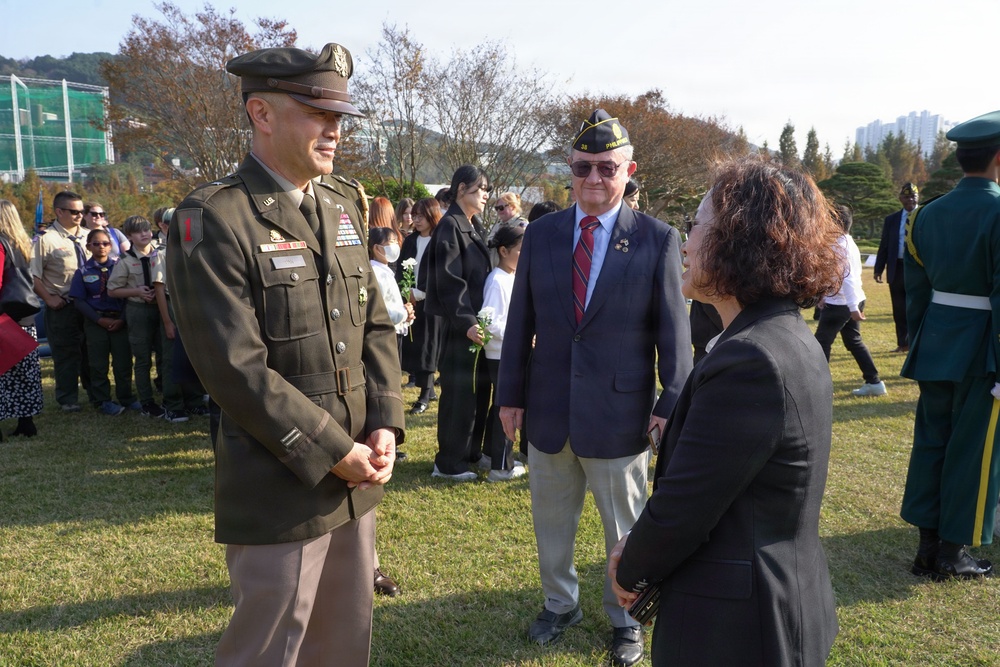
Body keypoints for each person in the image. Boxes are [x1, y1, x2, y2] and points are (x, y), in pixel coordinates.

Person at [166, 42, 404, 666]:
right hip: (281, 483)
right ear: (262, 114)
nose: (335, 129)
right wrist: (336, 452)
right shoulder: (215, 217)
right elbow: (233, 367)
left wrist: (384, 421)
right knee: (270, 647)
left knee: (342, 643)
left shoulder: (342, 202)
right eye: (318, 113)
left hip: (356, 476)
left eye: (340, 117)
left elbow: (375, 324)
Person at [608, 156, 841, 666]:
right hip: (774, 600)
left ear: (739, 241)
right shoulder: (780, 334)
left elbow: (687, 506)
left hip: (739, 627)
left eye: (695, 226)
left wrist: (630, 566)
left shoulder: (752, 358)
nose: (685, 243)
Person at [496, 109, 692, 667]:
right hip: (550, 409)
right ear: (570, 170)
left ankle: (624, 616)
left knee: (625, 528)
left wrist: (668, 401)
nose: (594, 180)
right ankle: (560, 603)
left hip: (620, 413)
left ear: (628, 170)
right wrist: (510, 395)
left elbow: (674, 334)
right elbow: (522, 325)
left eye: (607, 168)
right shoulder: (543, 235)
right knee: (550, 522)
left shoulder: (656, 239)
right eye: (583, 168)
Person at [899, 110, 1000, 580]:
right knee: (974, 451)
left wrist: (922, 342)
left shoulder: (925, 214)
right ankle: (952, 552)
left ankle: (926, 546)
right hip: (984, 349)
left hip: (936, 342)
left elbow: (916, 292)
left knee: (931, 444)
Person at [425, 165, 494, 481]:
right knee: (458, 394)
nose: (486, 195)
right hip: (459, 327)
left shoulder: (473, 224)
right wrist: (466, 320)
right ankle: (449, 463)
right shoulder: (450, 225)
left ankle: (469, 452)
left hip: (478, 325)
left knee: (477, 393)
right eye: (482, 189)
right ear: (463, 188)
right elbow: (449, 280)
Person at [29, 190, 93, 411]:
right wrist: (48, 298)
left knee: (91, 351)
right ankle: (68, 399)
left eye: (82, 211)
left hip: (90, 305)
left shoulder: (89, 236)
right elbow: (33, 275)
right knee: (66, 353)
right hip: (63, 305)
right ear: (59, 211)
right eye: (74, 212)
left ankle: (96, 394)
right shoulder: (46, 240)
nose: (79, 215)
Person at [815, 205, 885, 397]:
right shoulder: (847, 242)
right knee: (853, 341)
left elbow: (847, 278)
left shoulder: (839, 246)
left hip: (842, 304)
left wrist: (853, 307)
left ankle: (820, 387)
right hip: (850, 300)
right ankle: (874, 381)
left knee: (821, 343)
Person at [69, 228, 138, 416]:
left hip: (119, 321)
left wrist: (122, 319)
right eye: (96, 243)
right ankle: (103, 400)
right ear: (88, 246)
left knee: (123, 362)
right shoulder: (82, 272)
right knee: (98, 364)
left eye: (105, 243)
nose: (101, 247)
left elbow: (127, 296)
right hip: (96, 322)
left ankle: (127, 397)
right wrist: (99, 319)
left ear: (111, 246)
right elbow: (79, 301)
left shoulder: (120, 267)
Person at [108, 215, 171, 419]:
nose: (144, 234)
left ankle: (168, 394)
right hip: (139, 311)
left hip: (163, 309)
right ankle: (147, 402)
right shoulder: (126, 261)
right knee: (143, 359)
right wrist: (136, 291)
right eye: (138, 231)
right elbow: (112, 290)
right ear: (129, 236)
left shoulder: (162, 252)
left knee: (165, 354)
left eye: (147, 229)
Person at [482, 222, 525, 482]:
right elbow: (491, 322)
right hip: (500, 354)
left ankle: (491, 454)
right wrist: (521, 335)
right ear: (503, 251)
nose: (525, 256)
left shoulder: (509, 277)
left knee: (500, 406)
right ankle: (501, 467)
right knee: (506, 408)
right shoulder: (497, 280)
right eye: (521, 251)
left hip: (506, 353)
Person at [0, 200, 43, 438]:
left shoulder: (0, 244)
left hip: (3, 316)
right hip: (25, 315)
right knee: (24, 372)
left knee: (2, 372)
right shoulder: (23, 243)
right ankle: (26, 422)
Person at [397, 197, 443, 415]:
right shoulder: (410, 240)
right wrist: (405, 291)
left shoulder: (439, 240)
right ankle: (428, 389)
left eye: (420, 215)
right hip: (411, 301)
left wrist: (420, 292)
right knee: (415, 346)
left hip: (432, 302)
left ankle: (424, 394)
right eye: (414, 215)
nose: (416, 219)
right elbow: (401, 270)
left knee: (428, 347)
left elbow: (440, 272)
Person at [874, 182, 919, 352]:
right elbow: (884, 245)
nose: (910, 200)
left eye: (913, 196)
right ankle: (904, 343)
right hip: (897, 268)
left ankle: (918, 343)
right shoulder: (891, 220)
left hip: (918, 268)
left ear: (918, 197)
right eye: (906, 197)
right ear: (900, 199)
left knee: (917, 307)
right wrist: (879, 268)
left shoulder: (924, 215)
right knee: (899, 308)